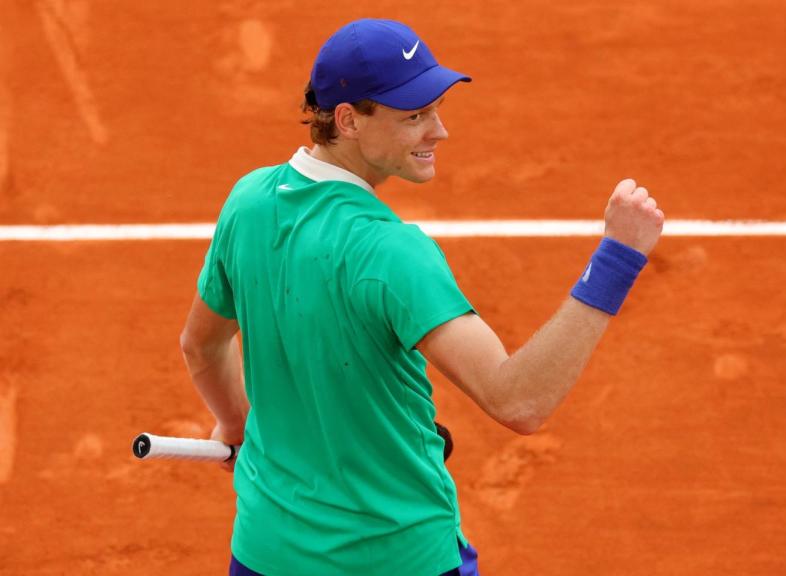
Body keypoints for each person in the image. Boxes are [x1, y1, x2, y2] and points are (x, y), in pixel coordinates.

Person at [179, 18, 664, 576]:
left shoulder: (248, 202)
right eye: (413, 116)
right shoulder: (391, 252)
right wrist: (618, 259)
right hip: (397, 558)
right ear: (347, 120)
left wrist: (238, 424)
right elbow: (520, 401)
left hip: (264, 554)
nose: (439, 131)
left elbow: (201, 347)